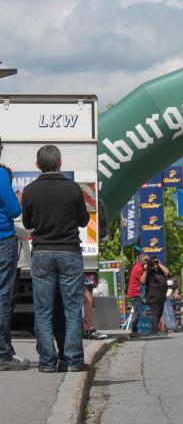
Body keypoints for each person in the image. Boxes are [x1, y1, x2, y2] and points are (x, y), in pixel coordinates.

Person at [22, 145, 90, 372]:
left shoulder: (30, 191)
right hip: (69, 252)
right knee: (72, 310)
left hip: (41, 253)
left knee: (43, 311)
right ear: (60, 163)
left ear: (38, 165)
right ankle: (73, 361)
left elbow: (29, 224)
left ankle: (48, 362)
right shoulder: (73, 189)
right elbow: (83, 221)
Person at [0, 140, 30, 371]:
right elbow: (13, 210)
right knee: (2, 297)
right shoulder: (1, 174)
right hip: (2, 241)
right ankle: (3, 354)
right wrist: (18, 199)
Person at [140, 255, 169, 334]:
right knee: (155, 314)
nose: (154, 265)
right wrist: (146, 270)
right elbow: (142, 281)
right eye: (153, 263)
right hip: (152, 296)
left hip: (161, 296)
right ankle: (153, 331)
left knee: (159, 314)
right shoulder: (149, 271)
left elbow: (167, 272)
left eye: (155, 263)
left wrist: (159, 264)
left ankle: (155, 329)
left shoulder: (161, 270)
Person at [83, 273, 108, 340]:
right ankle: (88, 329)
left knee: (89, 299)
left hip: (87, 271)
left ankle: (88, 330)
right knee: (88, 299)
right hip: (77, 272)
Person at [127, 255, 148, 334]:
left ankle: (134, 330)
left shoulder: (138, 267)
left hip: (136, 293)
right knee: (137, 312)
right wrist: (146, 270)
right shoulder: (138, 268)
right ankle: (133, 330)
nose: (147, 262)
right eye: (145, 260)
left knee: (137, 311)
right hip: (135, 293)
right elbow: (143, 280)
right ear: (141, 260)